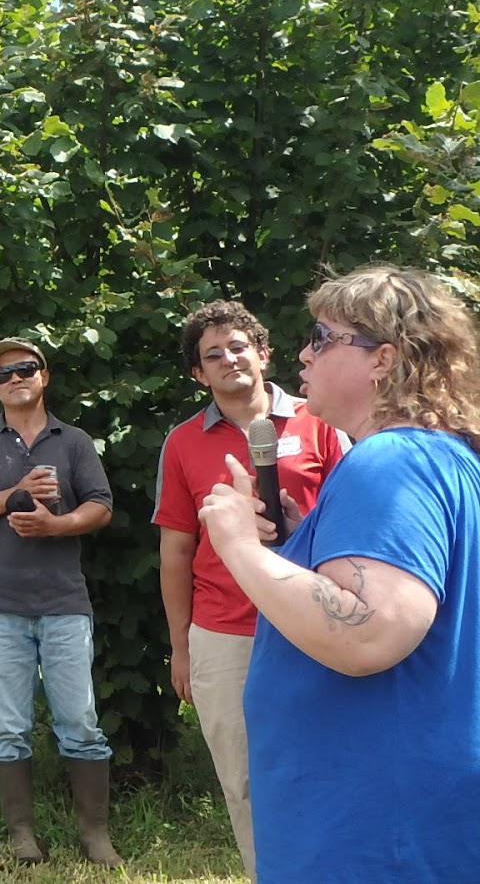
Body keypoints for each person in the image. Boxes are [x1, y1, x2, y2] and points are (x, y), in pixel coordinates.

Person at [199, 266, 480, 881]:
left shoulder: (392, 460)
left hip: (372, 831)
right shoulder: (442, 457)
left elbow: (369, 634)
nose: (302, 353)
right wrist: (304, 540)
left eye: (323, 338)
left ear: (384, 359)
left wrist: (239, 545)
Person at [153, 301, 346, 877]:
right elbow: (176, 551)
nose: (228, 359)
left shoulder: (322, 422)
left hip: (315, 623)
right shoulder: (182, 442)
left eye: (238, 347)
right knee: (242, 778)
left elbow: (354, 521)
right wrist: (182, 647)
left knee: (330, 765)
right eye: (212, 355)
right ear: (198, 374)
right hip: (223, 633)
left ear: (263, 354)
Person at [0, 337, 122, 867]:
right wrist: (14, 494)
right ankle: (22, 834)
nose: (15, 378)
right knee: (9, 725)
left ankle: (94, 834)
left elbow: (102, 506)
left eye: (25, 368)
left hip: (65, 601)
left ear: (44, 376)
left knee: (81, 722)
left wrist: (57, 525)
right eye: (3, 374)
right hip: (0, 605)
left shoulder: (74, 442)